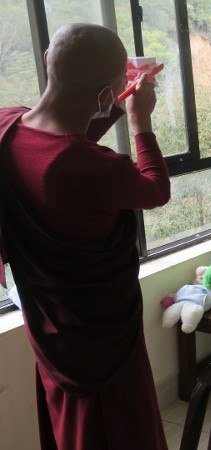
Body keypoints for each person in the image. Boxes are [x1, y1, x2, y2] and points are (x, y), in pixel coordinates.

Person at [0, 24, 170, 449]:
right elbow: (155, 188)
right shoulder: (94, 169)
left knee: (69, 428)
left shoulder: (7, 126)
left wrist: (114, 98)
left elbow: (63, 147)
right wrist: (140, 121)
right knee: (119, 429)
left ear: (47, 61)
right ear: (101, 94)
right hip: (100, 339)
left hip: (51, 324)